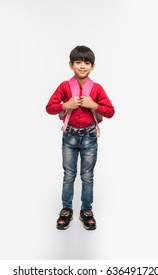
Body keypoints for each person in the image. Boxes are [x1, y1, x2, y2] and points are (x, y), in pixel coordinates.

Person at [46, 45, 115, 230]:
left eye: (86, 63)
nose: (82, 66)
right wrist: (64, 105)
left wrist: (94, 105)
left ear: (92, 66)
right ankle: (66, 209)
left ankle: (86, 210)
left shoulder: (97, 88)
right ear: (71, 65)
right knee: (68, 175)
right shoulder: (64, 86)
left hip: (89, 137)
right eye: (78, 62)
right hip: (70, 136)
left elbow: (110, 112)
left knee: (87, 176)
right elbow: (49, 107)